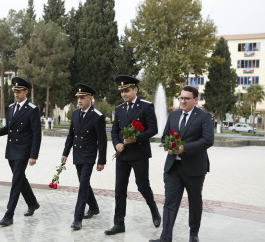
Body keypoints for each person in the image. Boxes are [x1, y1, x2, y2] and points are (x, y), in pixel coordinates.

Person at [149, 86, 214, 242]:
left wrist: (184, 148)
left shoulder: (204, 117)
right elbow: (164, 137)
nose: (183, 101)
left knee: (195, 202)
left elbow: (208, 140)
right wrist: (169, 146)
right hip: (173, 168)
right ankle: (165, 237)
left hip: (194, 168)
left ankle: (193, 235)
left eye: (186, 98)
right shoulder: (174, 115)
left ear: (195, 100)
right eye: (181, 98)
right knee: (170, 202)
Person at [105, 75, 161, 235]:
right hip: (122, 154)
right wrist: (116, 143)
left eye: (126, 90)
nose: (124, 94)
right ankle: (119, 223)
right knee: (119, 189)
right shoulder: (119, 109)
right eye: (122, 91)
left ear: (135, 90)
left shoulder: (145, 107)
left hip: (139, 153)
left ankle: (154, 210)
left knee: (142, 186)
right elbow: (114, 130)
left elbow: (153, 129)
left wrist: (135, 138)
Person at [0, 77, 42, 227]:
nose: (16, 93)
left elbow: (36, 134)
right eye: (14, 91)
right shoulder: (11, 107)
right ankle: (32, 203)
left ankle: (9, 214)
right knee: (20, 179)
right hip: (11, 150)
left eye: (19, 91)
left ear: (26, 92)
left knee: (15, 181)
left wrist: (33, 155)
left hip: (23, 151)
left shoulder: (32, 109)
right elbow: (10, 127)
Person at [61, 83, 107, 230]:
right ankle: (93, 207)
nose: (79, 100)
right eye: (78, 98)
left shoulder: (97, 116)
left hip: (89, 155)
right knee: (84, 182)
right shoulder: (75, 114)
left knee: (82, 185)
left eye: (83, 97)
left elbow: (102, 141)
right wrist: (65, 153)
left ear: (90, 99)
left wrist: (101, 160)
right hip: (77, 154)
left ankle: (77, 218)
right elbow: (70, 136)